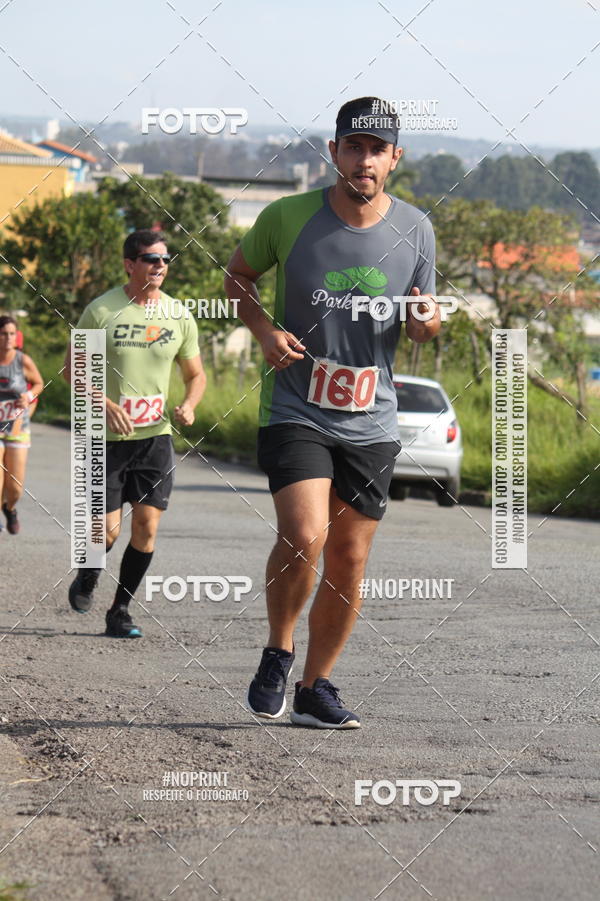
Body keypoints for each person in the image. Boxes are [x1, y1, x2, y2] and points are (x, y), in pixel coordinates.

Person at [224, 97, 441, 729]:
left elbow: (422, 321)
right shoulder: (288, 216)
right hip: (296, 404)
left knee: (348, 557)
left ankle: (315, 687)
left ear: (395, 159)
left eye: (377, 150)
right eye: (354, 147)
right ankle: (278, 650)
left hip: (372, 416)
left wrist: (425, 321)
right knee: (305, 535)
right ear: (334, 152)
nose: (364, 160)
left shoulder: (417, 229)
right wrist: (264, 331)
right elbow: (238, 278)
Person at [64, 229, 206, 638]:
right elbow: (73, 370)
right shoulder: (101, 310)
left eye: (165, 259)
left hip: (155, 437)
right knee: (105, 531)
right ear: (130, 264)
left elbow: (195, 375)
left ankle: (120, 611)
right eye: (151, 259)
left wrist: (190, 404)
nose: (160, 265)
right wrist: (105, 404)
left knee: (146, 526)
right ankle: (88, 573)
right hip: (105, 439)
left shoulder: (178, 315)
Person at [0, 314, 43, 535]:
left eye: (11, 334)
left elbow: (39, 383)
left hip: (17, 428)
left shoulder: (22, 360)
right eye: (3, 334)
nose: (8, 338)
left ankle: (10, 508)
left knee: (15, 488)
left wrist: (28, 396)